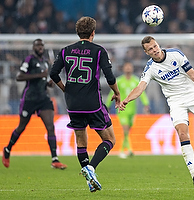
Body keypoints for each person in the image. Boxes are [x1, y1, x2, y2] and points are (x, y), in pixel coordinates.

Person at [119, 36, 194, 189]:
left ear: (158, 45)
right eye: (150, 49)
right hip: (176, 102)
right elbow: (140, 87)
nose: (154, 50)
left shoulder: (175, 54)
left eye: (155, 46)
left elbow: (193, 74)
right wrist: (126, 99)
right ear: (146, 52)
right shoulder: (150, 68)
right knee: (183, 133)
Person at [50, 16, 120, 193]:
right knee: (110, 139)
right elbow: (110, 77)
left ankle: (90, 179)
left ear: (77, 32)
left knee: (81, 141)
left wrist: (65, 89)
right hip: (93, 103)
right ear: (93, 33)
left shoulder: (66, 50)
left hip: (72, 103)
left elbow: (53, 73)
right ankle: (91, 168)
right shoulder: (99, 51)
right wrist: (117, 92)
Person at [2, 39, 67, 170]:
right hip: (29, 99)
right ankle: (7, 149)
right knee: (21, 127)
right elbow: (19, 76)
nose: (40, 47)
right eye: (38, 45)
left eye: (42, 45)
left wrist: (49, 83)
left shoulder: (45, 62)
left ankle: (55, 159)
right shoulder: (29, 60)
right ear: (33, 48)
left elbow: (44, 78)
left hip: (43, 98)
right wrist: (39, 75)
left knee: (50, 126)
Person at [106, 62, 150, 159]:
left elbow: (141, 93)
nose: (128, 69)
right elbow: (112, 93)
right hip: (122, 110)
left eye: (130, 67)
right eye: (126, 67)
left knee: (127, 131)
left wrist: (145, 104)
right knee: (125, 130)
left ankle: (125, 149)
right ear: (124, 69)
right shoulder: (119, 81)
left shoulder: (135, 80)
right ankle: (125, 150)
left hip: (132, 110)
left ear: (132, 69)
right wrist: (108, 105)